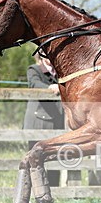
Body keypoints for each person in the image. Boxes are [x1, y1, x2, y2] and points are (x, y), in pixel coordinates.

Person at [24, 54, 64, 186]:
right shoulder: (34, 69)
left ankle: (53, 191)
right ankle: (35, 191)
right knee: (35, 159)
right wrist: (49, 88)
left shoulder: (60, 71)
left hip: (57, 120)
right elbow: (34, 83)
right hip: (38, 120)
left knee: (54, 158)